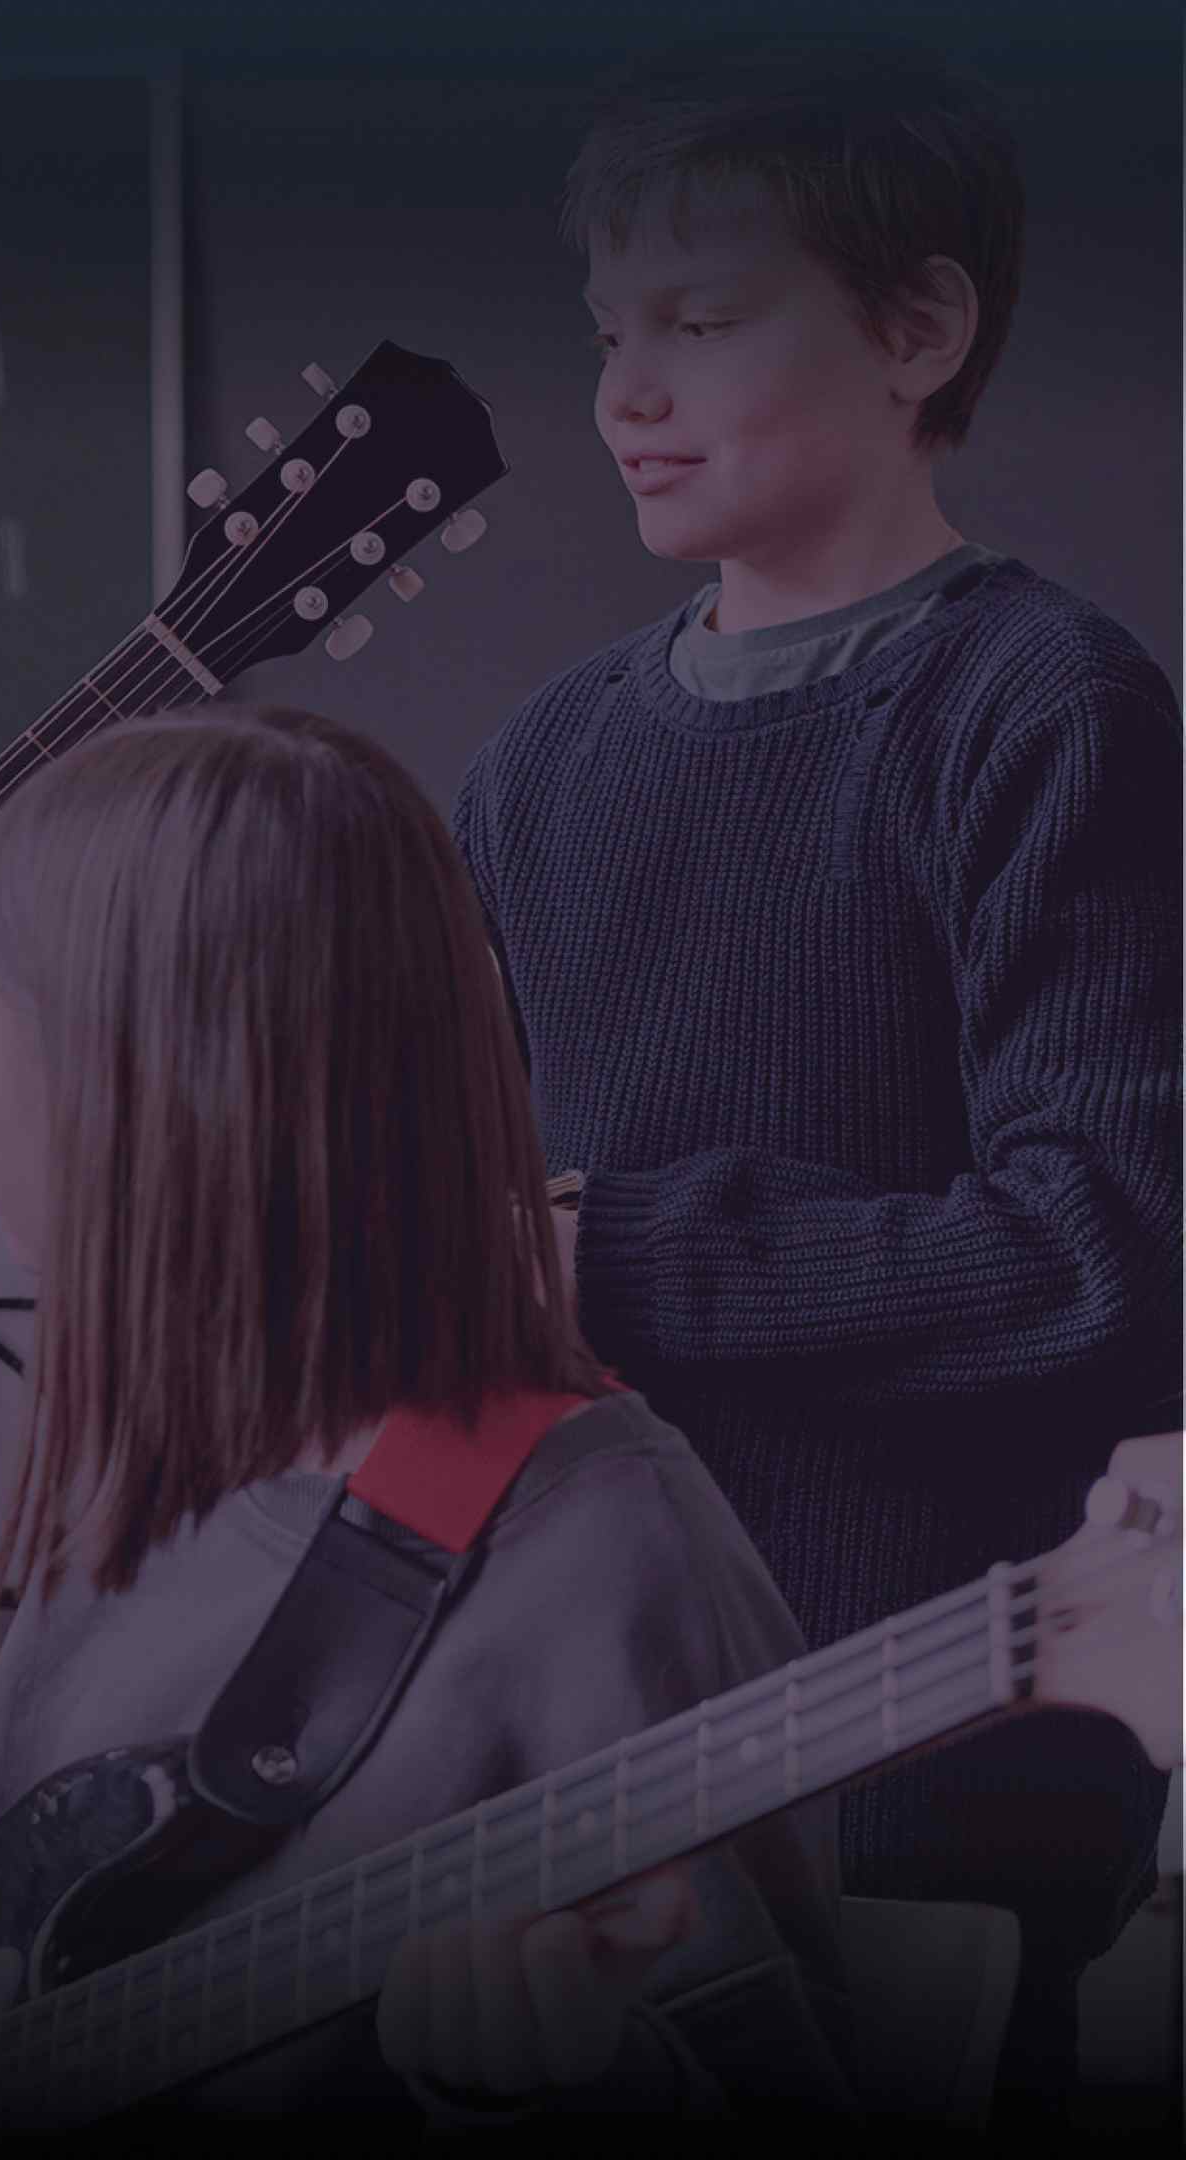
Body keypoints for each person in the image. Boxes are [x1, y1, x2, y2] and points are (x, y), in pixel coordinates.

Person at [0, 707, 854, 2128]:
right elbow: (28, 1889)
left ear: (145, 1097)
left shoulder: (611, 1569)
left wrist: (562, 2089)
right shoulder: (192, 1448)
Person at [454, 36, 1181, 2119]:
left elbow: (1115, 1257)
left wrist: (622, 1261)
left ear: (917, 327)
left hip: (938, 1768)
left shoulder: (1044, 710)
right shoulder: (535, 771)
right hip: (582, 1766)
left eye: (701, 316)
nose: (626, 391)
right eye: (611, 332)